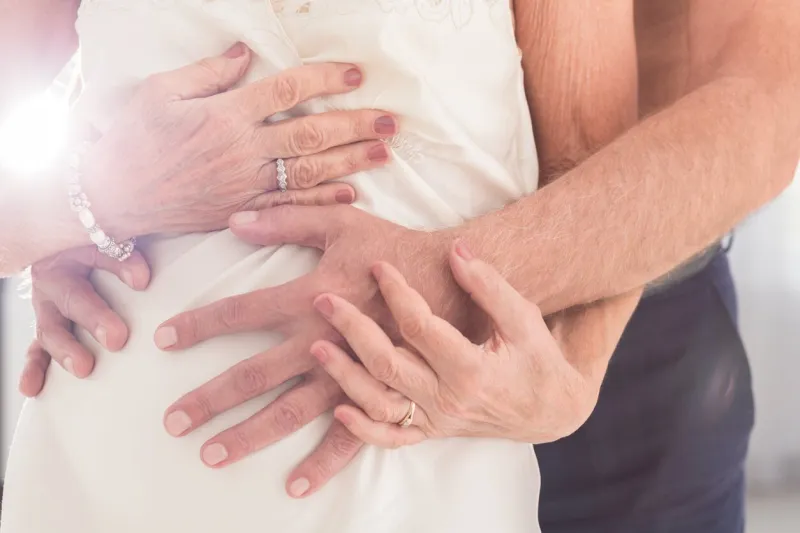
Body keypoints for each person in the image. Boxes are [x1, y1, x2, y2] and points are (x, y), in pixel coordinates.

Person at [2, 1, 799, 532]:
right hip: (116, 453)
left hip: (604, 327)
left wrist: (570, 364)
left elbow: (768, 94)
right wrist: (82, 200)